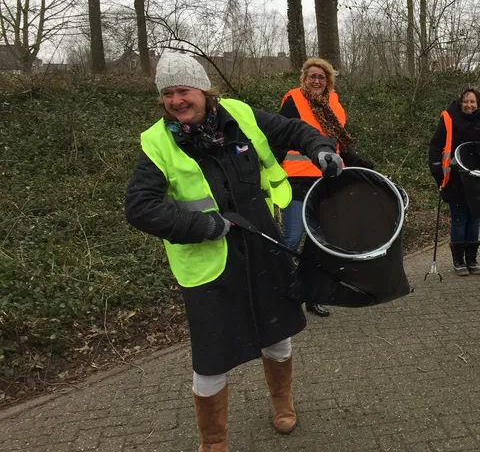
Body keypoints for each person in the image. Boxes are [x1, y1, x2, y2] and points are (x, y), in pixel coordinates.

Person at [124, 52, 343, 450]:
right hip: (208, 266)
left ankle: (282, 403)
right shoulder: (157, 144)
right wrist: (202, 225)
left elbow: (293, 130)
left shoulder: (239, 115)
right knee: (211, 361)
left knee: (277, 338)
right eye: (168, 93)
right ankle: (214, 441)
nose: (176, 100)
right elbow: (140, 207)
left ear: (204, 91)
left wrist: (320, 148)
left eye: (183, 90)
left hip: (262, 247)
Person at [276, 58, 374, 317]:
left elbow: (339, 145)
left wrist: (363, 164)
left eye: (321, 76)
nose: (316, 81)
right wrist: (268, 173)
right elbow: (277, 138)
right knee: (292, 238)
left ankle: (312, 294)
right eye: (312, 76)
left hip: (326, 182)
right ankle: (283, 291)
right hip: (296, 182)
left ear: (328, 80)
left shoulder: (335, 105)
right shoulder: (293, 101)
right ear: (304, 78)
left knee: (320, 243)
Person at [428, 86, 480, 275]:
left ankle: (472, 258)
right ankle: (458, 260)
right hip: (455, 176)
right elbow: (436, 144)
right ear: (460, 102)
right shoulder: (448, 118)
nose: (469, 105)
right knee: (459, 219)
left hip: (478, 177)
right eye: (466, 101)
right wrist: (436, 167)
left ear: (478, 104)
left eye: (473, 102)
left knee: (474, 218)